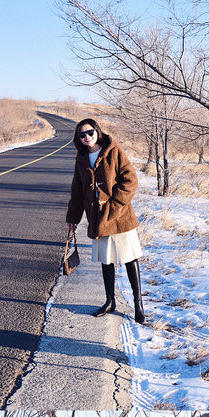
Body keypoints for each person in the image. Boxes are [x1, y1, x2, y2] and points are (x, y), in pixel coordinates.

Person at [66, 118, 145, 324]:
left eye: (89, 133)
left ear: (97, 131)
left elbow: (130, 180)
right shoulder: (81, 158)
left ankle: (138, 304)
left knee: (129, 258)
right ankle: (110, 301)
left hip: (120, 216)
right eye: (81, 135)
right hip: (97, 218)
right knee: (106, 260)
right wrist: (73, 217)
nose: (86, 138)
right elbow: (77, 190)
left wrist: (114, 205)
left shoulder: (113, 150)